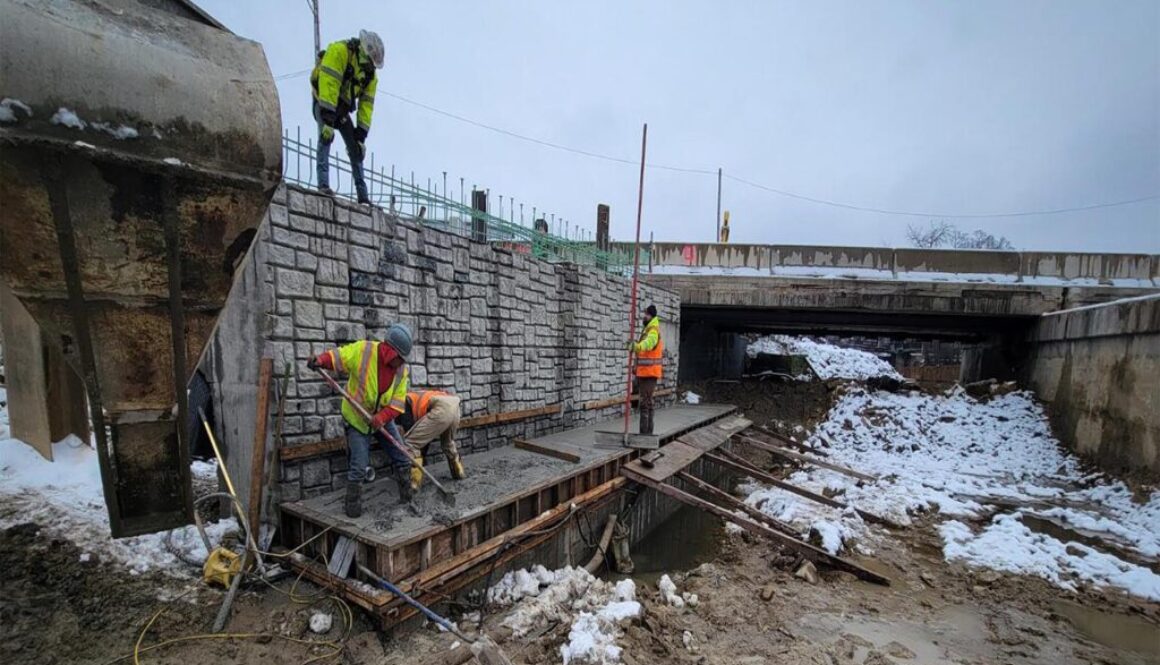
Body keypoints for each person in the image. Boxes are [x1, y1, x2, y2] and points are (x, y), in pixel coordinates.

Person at [307, 323, 415, 517]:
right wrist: (320, 360)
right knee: (359, 465)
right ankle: (353, 507)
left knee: (402, 455)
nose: (402, 363)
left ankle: (407, 499)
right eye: (400, 358)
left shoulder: (401, 371)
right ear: (390, 353)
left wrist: (381, 418)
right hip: (357, 418)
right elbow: (340, 357)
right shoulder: (364, 351)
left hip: (381, 416)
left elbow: (398, 403)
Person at [310, 29, 385, 205]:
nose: (371, 65)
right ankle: (323, 185)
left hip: (342, 108)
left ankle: (363, 197)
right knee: (325, 138)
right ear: (363, 50)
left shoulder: (370, 77)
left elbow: (366, 107)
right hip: (323, 100)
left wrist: (361, 136)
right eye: (370, 59)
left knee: (355, 151)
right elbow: (329, 83)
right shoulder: (340, 51)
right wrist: (327, 119)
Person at [397, 389, 467, 495]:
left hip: (441, 409)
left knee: (411, 443)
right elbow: (426, 435)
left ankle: (414, 484)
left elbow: (413, 432)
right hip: (455, 406)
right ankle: (459, 472)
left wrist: (420, 456)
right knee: (448, 443)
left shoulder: (405, 402)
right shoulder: (419, 395)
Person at [629, 304, 664, 435]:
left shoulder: (653, 330)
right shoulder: (648, 329)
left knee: (646, 403)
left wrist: (637, 346)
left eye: (647, 314)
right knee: (646, 402)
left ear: (652, 316)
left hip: (650, 373)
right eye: (645, 314)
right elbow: (642, 354)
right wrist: (635, 366)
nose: (644, 316)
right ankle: (646, 433)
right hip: (644, 372)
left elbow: (649, 343)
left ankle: (645, 434)